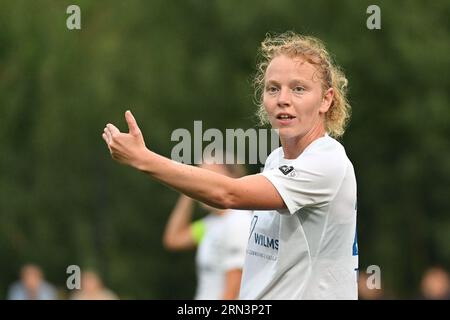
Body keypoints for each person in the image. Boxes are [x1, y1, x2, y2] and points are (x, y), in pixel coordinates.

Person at [102, 31, 357, 299]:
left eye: (298, 88)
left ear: (326, 100)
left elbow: (227, 193)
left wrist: (143, 158)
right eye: (273, 88)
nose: (283, 98)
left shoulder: (326, 160)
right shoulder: (276, 160)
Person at [163, 162, 252, 300]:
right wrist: (189, 189)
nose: (202, 183)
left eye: (208, 176)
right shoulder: (210, 224)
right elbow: (173, 239)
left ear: (232, 179)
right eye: (199, 177)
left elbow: (232, 293)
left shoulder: (238, 221)